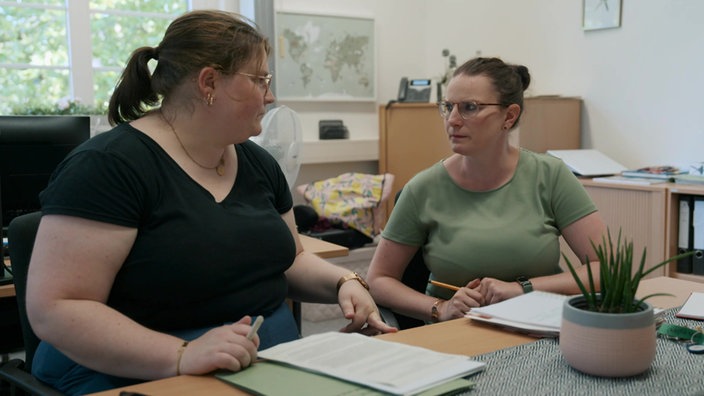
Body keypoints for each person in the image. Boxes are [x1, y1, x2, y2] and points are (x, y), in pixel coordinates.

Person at [26, 10, 395, 395]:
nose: (269, 95)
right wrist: (183, 353)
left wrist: (345, 282)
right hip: (133, 372)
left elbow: (290, 259)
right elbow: (58, 308)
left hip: (261, 364)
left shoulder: (257, 163)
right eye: (260, 80)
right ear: (209, 82)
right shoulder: (109, 167)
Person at [367, 57, 607, 325]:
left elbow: (606, 269)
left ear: (510, 115)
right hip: (458, 332)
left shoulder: (550, 175)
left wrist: (522, 289)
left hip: (540, 328)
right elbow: (378, 280)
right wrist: (440, 307)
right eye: (448, 107)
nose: (453, 120)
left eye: (469, 107)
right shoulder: (422, 189)